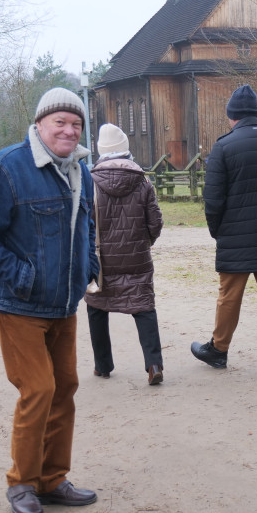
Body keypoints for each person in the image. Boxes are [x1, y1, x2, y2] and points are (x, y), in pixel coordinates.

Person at [0, 87, 99, 513]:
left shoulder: (82, 170)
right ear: (40, 123)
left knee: (65, 388)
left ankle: (53, 479)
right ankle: (22, 482)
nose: (68, 129)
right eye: (60, 121)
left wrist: (89, 266)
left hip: (64, 304)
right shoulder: (7, 167)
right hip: (18, 304)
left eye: (75, 123)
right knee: (38, 389)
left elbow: (88, 224)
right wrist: (22, 275)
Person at [190, 84, 257, 381]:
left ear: (232, 116)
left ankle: (218, 350)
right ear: (255, 113)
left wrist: (218, 232)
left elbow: (213, 200)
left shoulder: (223, 147)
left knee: (229, 297)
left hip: (235, 238)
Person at [85, 123, 165, 386]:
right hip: (137, 257)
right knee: (143, 306)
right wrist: (145, 242)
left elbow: (84, 223)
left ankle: (102, 365)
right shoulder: (142, 181)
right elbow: (155, 222)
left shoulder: (90, 182)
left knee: (96, 306)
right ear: (125, 150)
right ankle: (153, 364)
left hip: (101, 261)